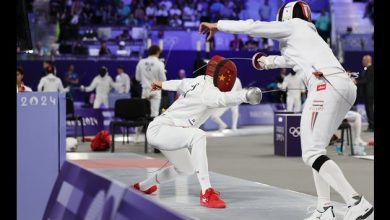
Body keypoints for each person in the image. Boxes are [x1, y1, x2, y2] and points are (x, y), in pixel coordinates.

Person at [199, 1, 373, 219]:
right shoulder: (309, 36)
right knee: (316, 149)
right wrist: (264, 62)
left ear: (287, 16)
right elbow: (289, 60)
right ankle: (324, 208)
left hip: (325, 87)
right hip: (343, 87)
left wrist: (218, 25)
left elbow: (253, 26)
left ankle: (356, 203)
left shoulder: (293, 26)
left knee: (311, 153)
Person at [131, 55, 262, 209]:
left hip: (171, 132)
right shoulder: (209, 92)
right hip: (161, 129)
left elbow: (180, 83)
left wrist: (162, 84)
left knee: (186, 169)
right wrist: (246, 95)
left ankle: (143, 186)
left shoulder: (198, 80)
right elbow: (226, 99)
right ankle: (206, 192)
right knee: (198, 135)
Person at [135, 45, 166, 117]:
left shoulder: (141, 62)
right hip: (155, 91)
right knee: (154, 115)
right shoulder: (160, 63)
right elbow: (163, 80)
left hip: (145, 91)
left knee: (142, 115)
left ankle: (140, 128)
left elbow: (137, 78)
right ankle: (151, 128)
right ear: (158, 52)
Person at [356, 55, 374, 131]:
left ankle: (372, 126)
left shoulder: (371, 68)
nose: (362, 62)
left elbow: (366, 80)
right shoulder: (366, 69)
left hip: (370, 93)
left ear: (367, 60)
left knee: (370, 109)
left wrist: (356, 82)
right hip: (366, 93)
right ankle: (370, 126)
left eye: (363, 60)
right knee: (368, 109)